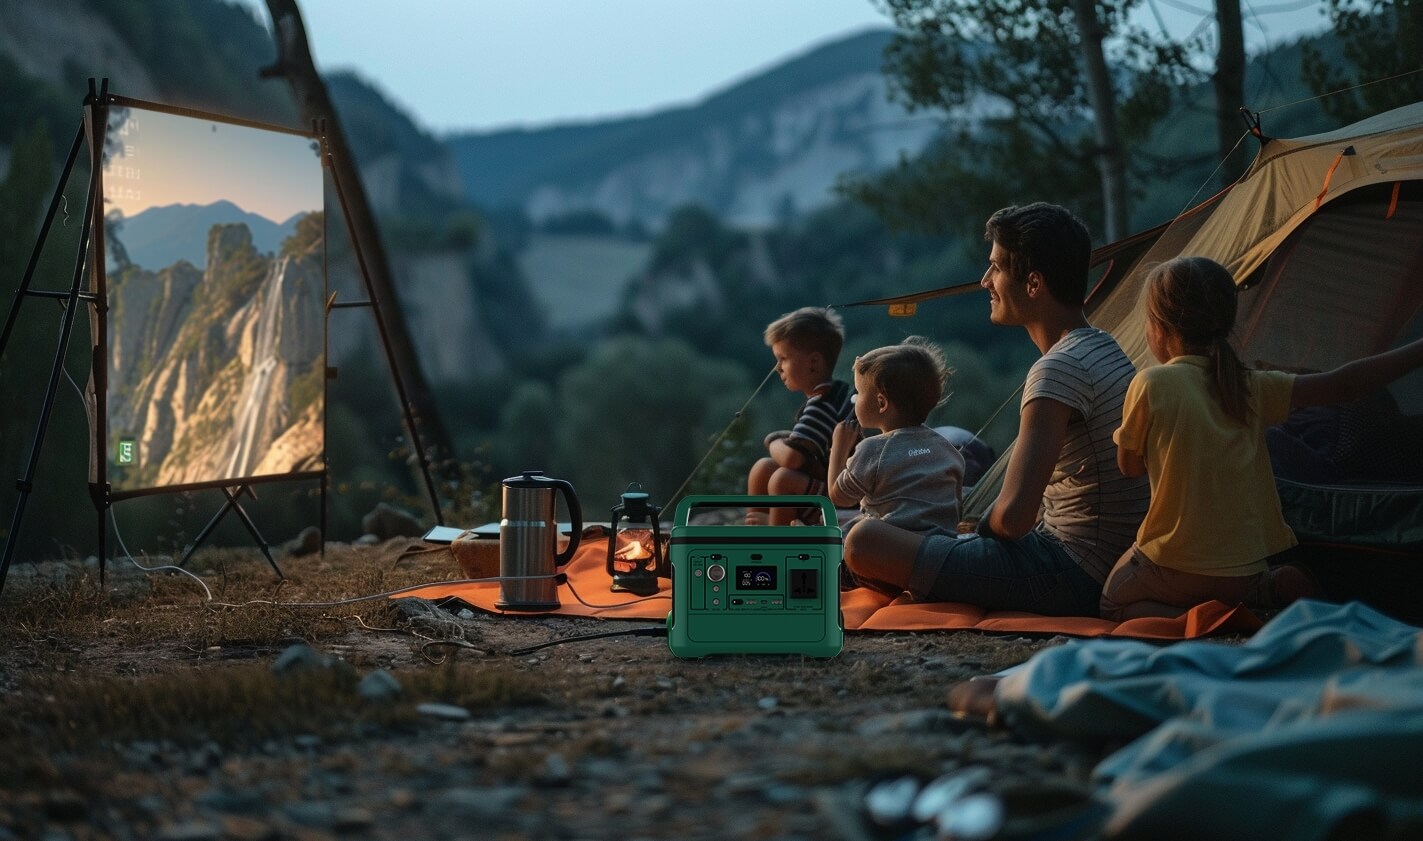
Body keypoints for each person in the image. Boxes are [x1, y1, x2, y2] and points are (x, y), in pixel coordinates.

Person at [842, 203, 1149, 615]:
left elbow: (1013, 519)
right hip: (1104, 558)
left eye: (996, 269)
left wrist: (980, 529)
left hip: (1070, 573)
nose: (985, 281)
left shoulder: (1057, 369)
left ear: (1034, 284)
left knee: (863, 541)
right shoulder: (1104, 346)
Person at [1100, 256, 1423, 619]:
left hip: (1173, 559)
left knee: (1113, 603)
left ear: (1158, 327)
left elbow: (1128, 467)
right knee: (1227, 579)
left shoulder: (1151, 383)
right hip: (1245, 565)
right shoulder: (1249, 385)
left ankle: (1214, 616)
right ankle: (1261, 590)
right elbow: (1343, 385)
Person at [827, 337, 966, 552]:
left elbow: (839, 497)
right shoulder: (948, 450)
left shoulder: (873, 449)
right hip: (937, 551)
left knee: (835, 539)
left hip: (888, 553)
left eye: (858, 393)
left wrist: (839, 448)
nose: (855, 399)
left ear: (881, 403)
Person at [746, 306, 854, 525]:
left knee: (782, 479)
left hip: (844, 500)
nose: (778, 368)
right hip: (832, 486)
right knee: (763, 469)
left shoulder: (823, 404)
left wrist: (773, 440)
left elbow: (792, 459)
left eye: (783, 358)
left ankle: (776, 543)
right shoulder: (837, 392)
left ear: (813, 362)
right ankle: (759, 531)